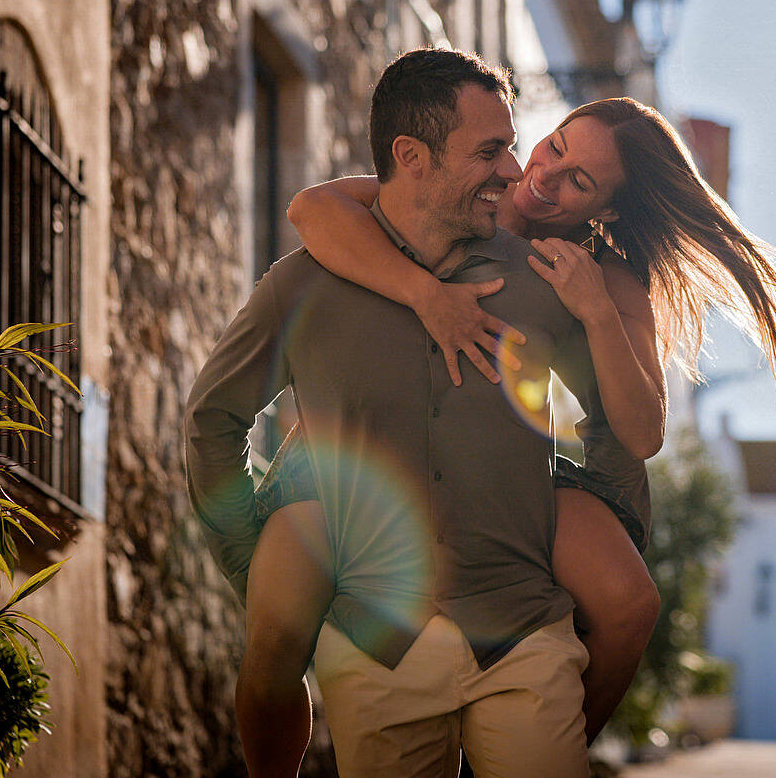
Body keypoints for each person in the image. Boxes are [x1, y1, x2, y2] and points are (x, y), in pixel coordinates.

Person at [244, 91, 776, 771]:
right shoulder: (466, 192)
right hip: (371, 437)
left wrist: (595, 309)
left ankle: (534, 746)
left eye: (578, 180)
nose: (545, 175)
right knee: (272, 643)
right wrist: (425, 293)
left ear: (608, 211)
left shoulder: (609, 279)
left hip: (522, 466)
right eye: (555, 147)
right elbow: (311, 210)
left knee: (629, 605)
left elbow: (643, 434)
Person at [185, 48, 613, 778]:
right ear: (411, 157)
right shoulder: (303, 287)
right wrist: (249, 559)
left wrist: (588, 525)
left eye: (511, 146)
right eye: (489, 150)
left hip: (523, 637)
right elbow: (211, 422)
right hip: (374, 648)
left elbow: (616, 428)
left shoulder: (546, 281)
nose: (515, 171)